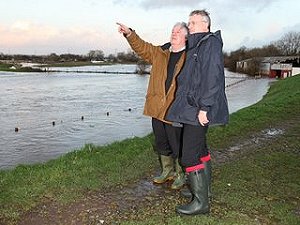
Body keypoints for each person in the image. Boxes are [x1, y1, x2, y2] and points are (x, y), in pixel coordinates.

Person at [165, 10, 229, 215]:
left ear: (205, 24)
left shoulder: (209, 43)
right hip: (192, 107)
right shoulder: (197, 45)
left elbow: (213, 78)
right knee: (200, 150)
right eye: (189, 22)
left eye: (193, 22)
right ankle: (203, 191)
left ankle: (201, 203)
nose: (189, 25)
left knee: (189, 155)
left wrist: (205, 108)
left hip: (198, 109)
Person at [117, 22, 188, 190]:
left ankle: (180, 174)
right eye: (172, 30)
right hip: (157, 108)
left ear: (186, 37)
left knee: (177, 144)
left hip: (175, 110)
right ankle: (167, 171)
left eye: (178, 31)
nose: (174, 33)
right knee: (161, 142)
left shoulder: (190, 56)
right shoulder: (160, 53)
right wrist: (129, 34)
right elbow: (142, 47)